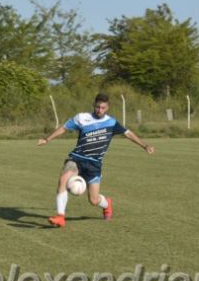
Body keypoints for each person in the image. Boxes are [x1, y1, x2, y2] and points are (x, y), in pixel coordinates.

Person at [37, 93, 154, 228]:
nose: (100, 110)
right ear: (94, 105)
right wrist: (47, 139)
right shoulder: (82, 118)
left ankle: (107, 204)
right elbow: (64, 128)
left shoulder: (111, 123)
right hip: (78, 158)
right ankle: (60, 217)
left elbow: (128, 133)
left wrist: (144, 145)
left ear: (107, 108)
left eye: (103, 108)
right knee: (63, 179)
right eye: (98, 107)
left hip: (94, 165)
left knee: (93, 200)